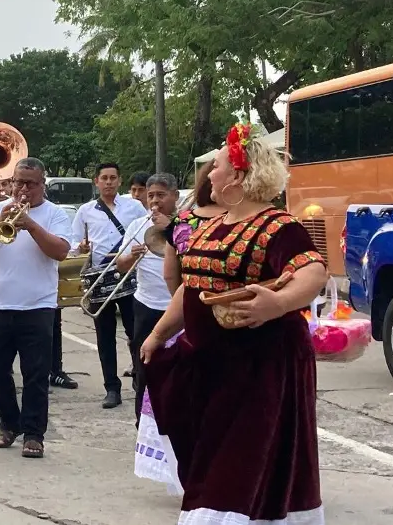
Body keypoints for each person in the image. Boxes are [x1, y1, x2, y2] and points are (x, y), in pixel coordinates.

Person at [141, 123, 327, 524]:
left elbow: (312, 272)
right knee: (216, 460)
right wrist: (158, 334)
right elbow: (190, 289)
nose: (210, 174)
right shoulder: (210, 225)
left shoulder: (279, 225)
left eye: (219, 166)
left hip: (261, 367)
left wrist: (277, 303)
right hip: (212, 366)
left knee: (237, 468)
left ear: (239, 177)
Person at [0, 157, 73, 459]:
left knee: (36, 374)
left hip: (39, 306)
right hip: (0, 304)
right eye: (18, 182)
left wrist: (30, 224)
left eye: (30, 183)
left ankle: (34, 434)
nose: (22, 189)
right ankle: (9, 423)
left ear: (43, 184)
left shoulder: (55, 214)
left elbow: (62, 252)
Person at [70, 162, 148, 409]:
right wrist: (80, 248)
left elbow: (146, 233)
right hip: (99, 277)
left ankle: (140, 380)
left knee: (136, 334)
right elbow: (74, 242)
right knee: (105, 337)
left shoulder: (135, 207)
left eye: (113, 178)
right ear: (96, 181)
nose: (109, 182)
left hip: (129, 275)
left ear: (119, 180)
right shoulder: (85, 210)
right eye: (104, 178)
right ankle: (111, 388)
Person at [113, 173, 177, 423]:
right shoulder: (137, 225)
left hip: (177, 305)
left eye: (161, 195)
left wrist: (169, 229)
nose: (155, 201)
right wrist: (131, 257)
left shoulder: (187, 225)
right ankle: (143, 420)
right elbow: (120, 264)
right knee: (144, 366)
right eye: (151, 196)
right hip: (145, 304)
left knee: (178, 367)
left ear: (174, 196)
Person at [164, 161, 224, 294]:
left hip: (190, 300)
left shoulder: (181, 221)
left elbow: (169, 274)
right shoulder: (242, 219)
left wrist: (180, 302)